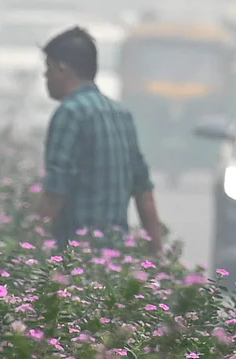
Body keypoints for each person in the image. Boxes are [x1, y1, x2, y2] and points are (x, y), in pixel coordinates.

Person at [37, 26, 163, 254]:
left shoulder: (70, 114)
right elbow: (144, 192)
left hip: (75, 256)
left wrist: (31, 245)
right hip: (114, 257)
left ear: (62, 68)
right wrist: (157, 253)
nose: (46, 77)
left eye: (48, 69)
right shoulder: (121, 114)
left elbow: (56, 191)